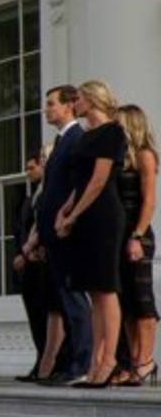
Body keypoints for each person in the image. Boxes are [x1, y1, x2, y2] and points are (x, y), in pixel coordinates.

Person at [56, 80, 128, 388]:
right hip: (84, 214)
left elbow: (99, 180)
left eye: (79, 98)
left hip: (103, 216)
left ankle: (109, 359)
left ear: (93, 99)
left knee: (106, 287)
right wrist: (65, 209)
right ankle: (96, 361)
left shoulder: (113, 132)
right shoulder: (86, 136)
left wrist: (74, 215)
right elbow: (81, 181)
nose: (75, 103)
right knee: (94, 291)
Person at [29, 85, 91, 385]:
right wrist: (41, 236)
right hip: (51, 234)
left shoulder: (77, 138)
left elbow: (76, 186)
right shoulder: (60, 141)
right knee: (64, 301)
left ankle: (82, 362)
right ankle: (69, 362)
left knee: (74, 299)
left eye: (52, 103)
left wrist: (66, 220)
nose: (47, 109)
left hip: (67, 232)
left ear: (69, 106)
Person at [114, 104, 158, 387]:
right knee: (126, 302)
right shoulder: (120, 159)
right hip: (118, 236)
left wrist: (137, 236)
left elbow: (150, 200)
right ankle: (132, 361)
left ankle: (146, 361)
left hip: (137, 234)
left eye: (119, 123)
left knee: (142, 301)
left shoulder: (145, 155)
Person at [11, 152, 49, 381]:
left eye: (32, 167)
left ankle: (47, 360)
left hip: (40, 260)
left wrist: (29, 251)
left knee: (44, 314)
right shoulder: (29, 197)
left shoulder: (45, 194)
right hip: (27, 262)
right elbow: (20, 229)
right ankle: (40, 359)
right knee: (34, 315)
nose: (28, 172)